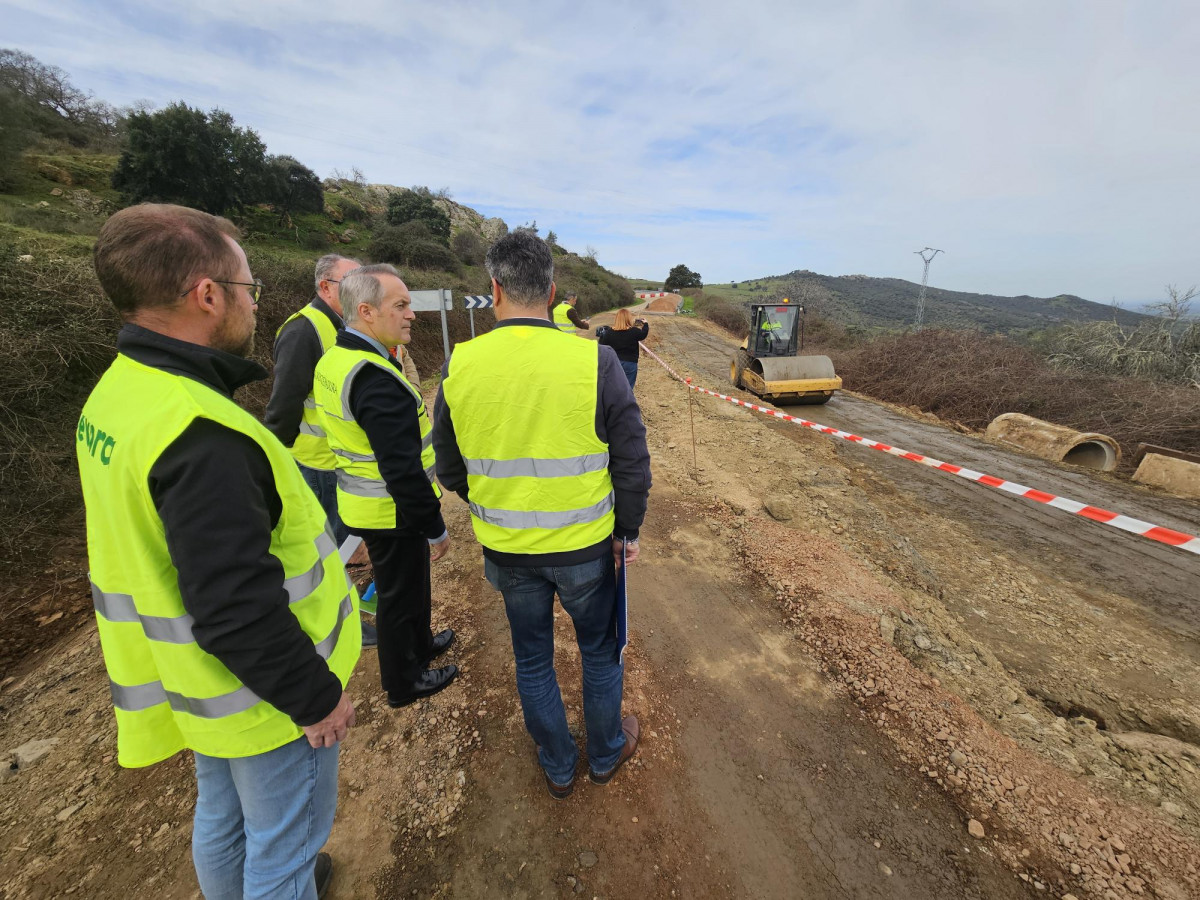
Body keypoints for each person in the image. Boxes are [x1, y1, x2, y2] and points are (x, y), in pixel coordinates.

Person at [79, 203, 360, 899]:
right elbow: (235, 605)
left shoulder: (119, 396)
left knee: (226, 815)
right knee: (283, 848)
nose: (255, 306)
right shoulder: (200, 433)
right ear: (208, 294)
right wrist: (315, 699)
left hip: (200, 686)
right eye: (249, 288)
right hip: (263, 697)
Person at [433, 231, 651, 799]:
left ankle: (558, 767)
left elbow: (449, 467)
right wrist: (627, 531)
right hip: (586, 554)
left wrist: (493, 504)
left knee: (532, 660)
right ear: (553, 290)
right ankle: (603, 756)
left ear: (495, 289)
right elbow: (631, 460)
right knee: (599, 655)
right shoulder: (595, 360)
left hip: (508, 553)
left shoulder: (460, 363)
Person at [312, 264, 458, 707]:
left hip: (370, 506)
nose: (411, 314)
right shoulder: (373, 378)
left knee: (410, 588)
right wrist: (435, 527)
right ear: (366, 312)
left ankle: (420, 645)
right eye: (401, 305)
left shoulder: (341, 359)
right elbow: (402, 470)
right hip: (390, 511)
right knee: (398, 597)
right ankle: (403, 681)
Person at [264, 254, 378, 648]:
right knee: (332, 547)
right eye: (351, 280)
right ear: (325, 287)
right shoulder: (303, 331)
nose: (361, 286)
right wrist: (274, 468)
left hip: (346, 462)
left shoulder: (343, 324)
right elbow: (283, 407)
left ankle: (352, 609)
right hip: (321, 464)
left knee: (347, 540)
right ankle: (342, 624)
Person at [596, 308, 649, 387]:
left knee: (614, 386)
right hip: (630, 363)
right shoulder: (634, 331)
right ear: (628, 319)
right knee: (628, 388)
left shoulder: (609, 332)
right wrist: (645, 324)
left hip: (614, 363)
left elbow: (602, 346)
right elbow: (643, 334)